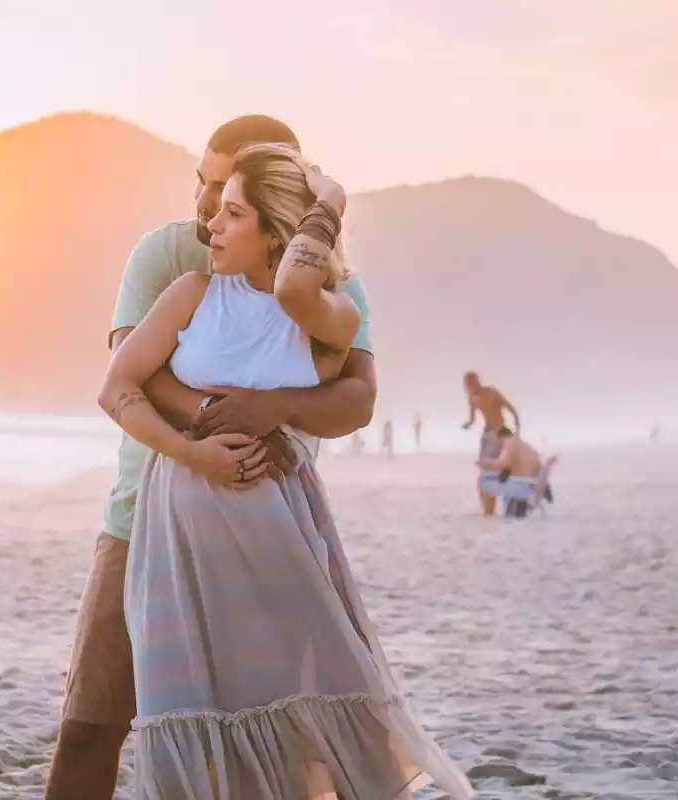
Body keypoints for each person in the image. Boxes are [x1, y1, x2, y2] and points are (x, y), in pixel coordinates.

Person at [99, 145, 473, 798]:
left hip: (274, 529)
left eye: (234, 212)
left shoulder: (329, 314)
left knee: (304, 696)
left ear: (276, 233)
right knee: (191, 707)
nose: (211, 221)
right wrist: (193, 452)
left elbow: (296, 287)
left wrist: (329, 203)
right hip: (177, 535)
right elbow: (117, 389)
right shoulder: (191, 293)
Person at [43, 116, 378, 800]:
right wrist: (205, 432)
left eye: (227, 192)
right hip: (143, 519)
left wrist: (276, 406)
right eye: (203, 183)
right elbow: (131, 373)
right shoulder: (170, 258)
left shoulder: (335, 291)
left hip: (268, 530)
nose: (206, 210)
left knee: (274, 737)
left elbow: (357, 398)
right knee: (93, 720)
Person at [461, 371, 521, 517]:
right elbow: (472, 418)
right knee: (484, 470)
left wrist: (517, 427)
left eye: (470, 384)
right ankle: (488, 507)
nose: (469, 388)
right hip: (487, 434)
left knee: (499, 468)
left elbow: (510, 408)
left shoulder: (492, 393)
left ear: (477, 382)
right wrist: (467, 424)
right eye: (467, 386)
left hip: (500, 432)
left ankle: (505, 502)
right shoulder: (472, 398)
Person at [477, 426, 552, 517]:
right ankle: (509, 507)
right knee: (501, 479)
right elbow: (511, 468)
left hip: (521, 484)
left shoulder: (510, 441)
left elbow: (504, 463)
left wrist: (486, 463)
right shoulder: (525, 446)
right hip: (532, 485)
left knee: (482, 479)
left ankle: (487, 512)